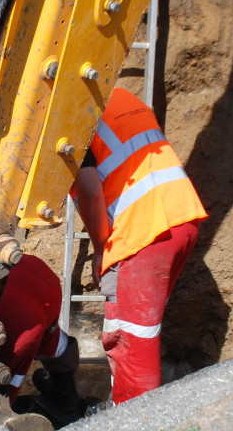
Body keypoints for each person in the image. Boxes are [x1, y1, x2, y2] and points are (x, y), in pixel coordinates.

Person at [73, 87, 207, 405]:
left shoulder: (69, 114)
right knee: (128, 330)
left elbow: (90, 190)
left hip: (143, 235)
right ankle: (120, 404)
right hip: (181, 219)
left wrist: (101, 248)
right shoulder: (119, 96)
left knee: (132, 346)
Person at [0, 253, 80, 425]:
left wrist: (2, 408)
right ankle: (66, 397)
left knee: (6, 377)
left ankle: (66, 401)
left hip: (27, 304)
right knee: (51, 340)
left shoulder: (17, 335)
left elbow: (6, 383)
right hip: (29, 271)